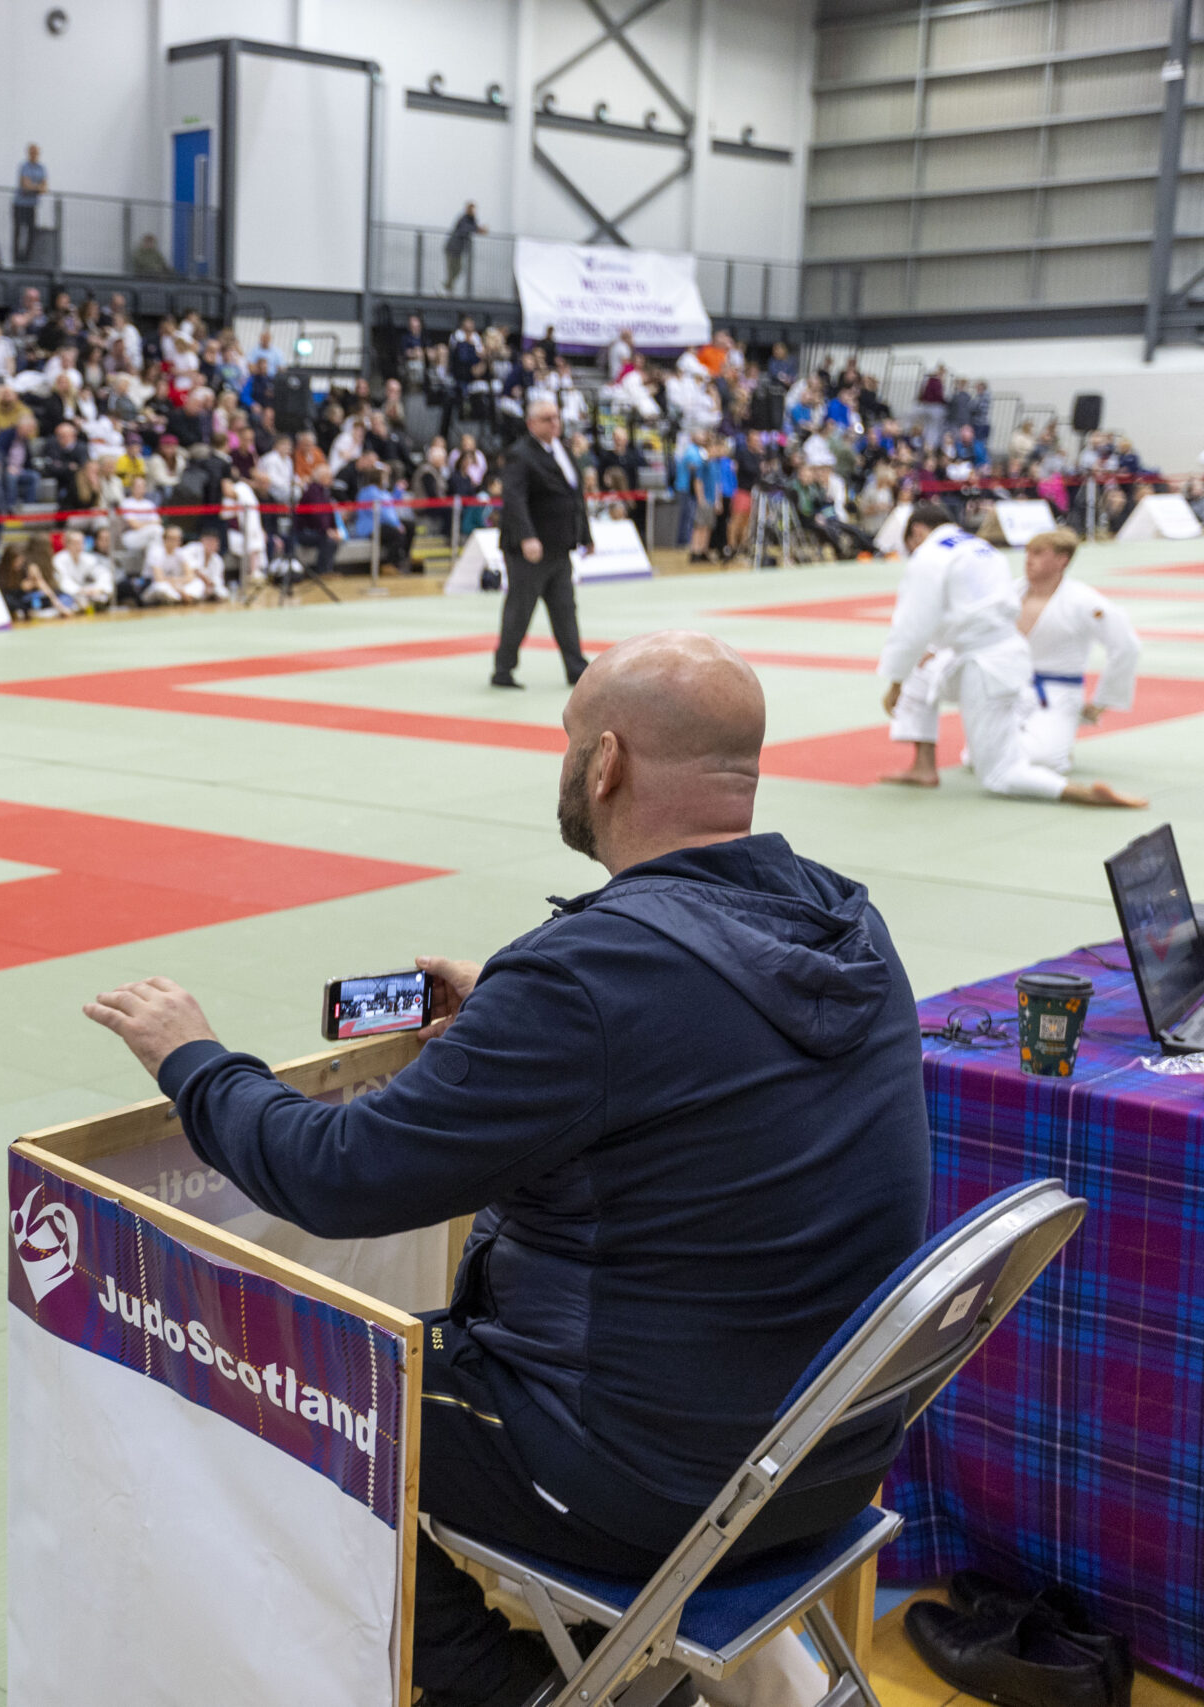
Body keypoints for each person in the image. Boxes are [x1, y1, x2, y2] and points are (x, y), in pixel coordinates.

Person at [83, 630, 930, 1707]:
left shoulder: (588, 978)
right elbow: (695, 1063)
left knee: (254, 1372)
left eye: (569, 741)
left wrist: (192, 1059)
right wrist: (510, 1020)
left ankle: (505, 1685)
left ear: (606, 762)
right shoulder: (844, 920)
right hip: (824, 1453)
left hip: (644, 1478)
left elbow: (335, 1177)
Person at [878, 509, 1146, 807]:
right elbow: (969, 619)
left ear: (917, 531)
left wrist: (894, 684)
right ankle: (924, 766)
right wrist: (930, 652)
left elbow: (912, 625)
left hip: (1011, 676)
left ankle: (1080, 793)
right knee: (922, 666)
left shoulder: (932, 555)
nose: (1029, 560)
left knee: (999, 772)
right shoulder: (982, 550)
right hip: (1004, 667)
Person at [491, 397, 591, 689]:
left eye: (556, 417)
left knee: (565, 610)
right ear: (531, 423)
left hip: (559, 547)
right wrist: (526, 536)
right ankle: (503, 669)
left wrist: (585, 535)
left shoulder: (562, 450)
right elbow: (515, 499)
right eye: (547, 418)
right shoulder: (520, 454)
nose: (555, 423)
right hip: (530, 550)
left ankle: (576, 667)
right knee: (520, 610)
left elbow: (575, 497)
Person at [13, 143, 48, 266]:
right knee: (18, 231)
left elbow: (44, 188)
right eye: (32, 152)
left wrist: (34, 187)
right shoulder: (24, 167)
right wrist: (37, 187)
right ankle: (16, 259)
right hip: (20, 204)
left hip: (32, 205)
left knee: (31, 232)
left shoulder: (41, 168)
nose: (34, 154)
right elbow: (25, 186)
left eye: (36, 152)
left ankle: (27, 259)